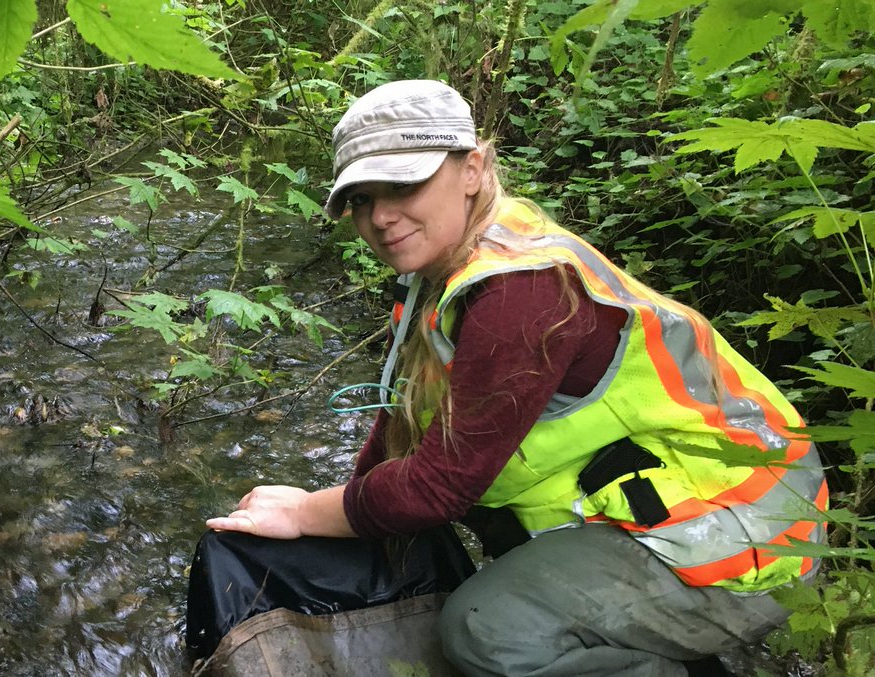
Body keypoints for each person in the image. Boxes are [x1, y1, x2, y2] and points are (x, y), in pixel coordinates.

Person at [204, 79, 828, 676]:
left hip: (743, 537)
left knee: (485, 632)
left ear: (472, 169)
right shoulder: (446, 269)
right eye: (361, 199)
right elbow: (405, 419)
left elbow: (439, 488)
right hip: (655, 502)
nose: (381, 217)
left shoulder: (520, 293)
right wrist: (351, 504)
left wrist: (309, 512)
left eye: (403, 185)